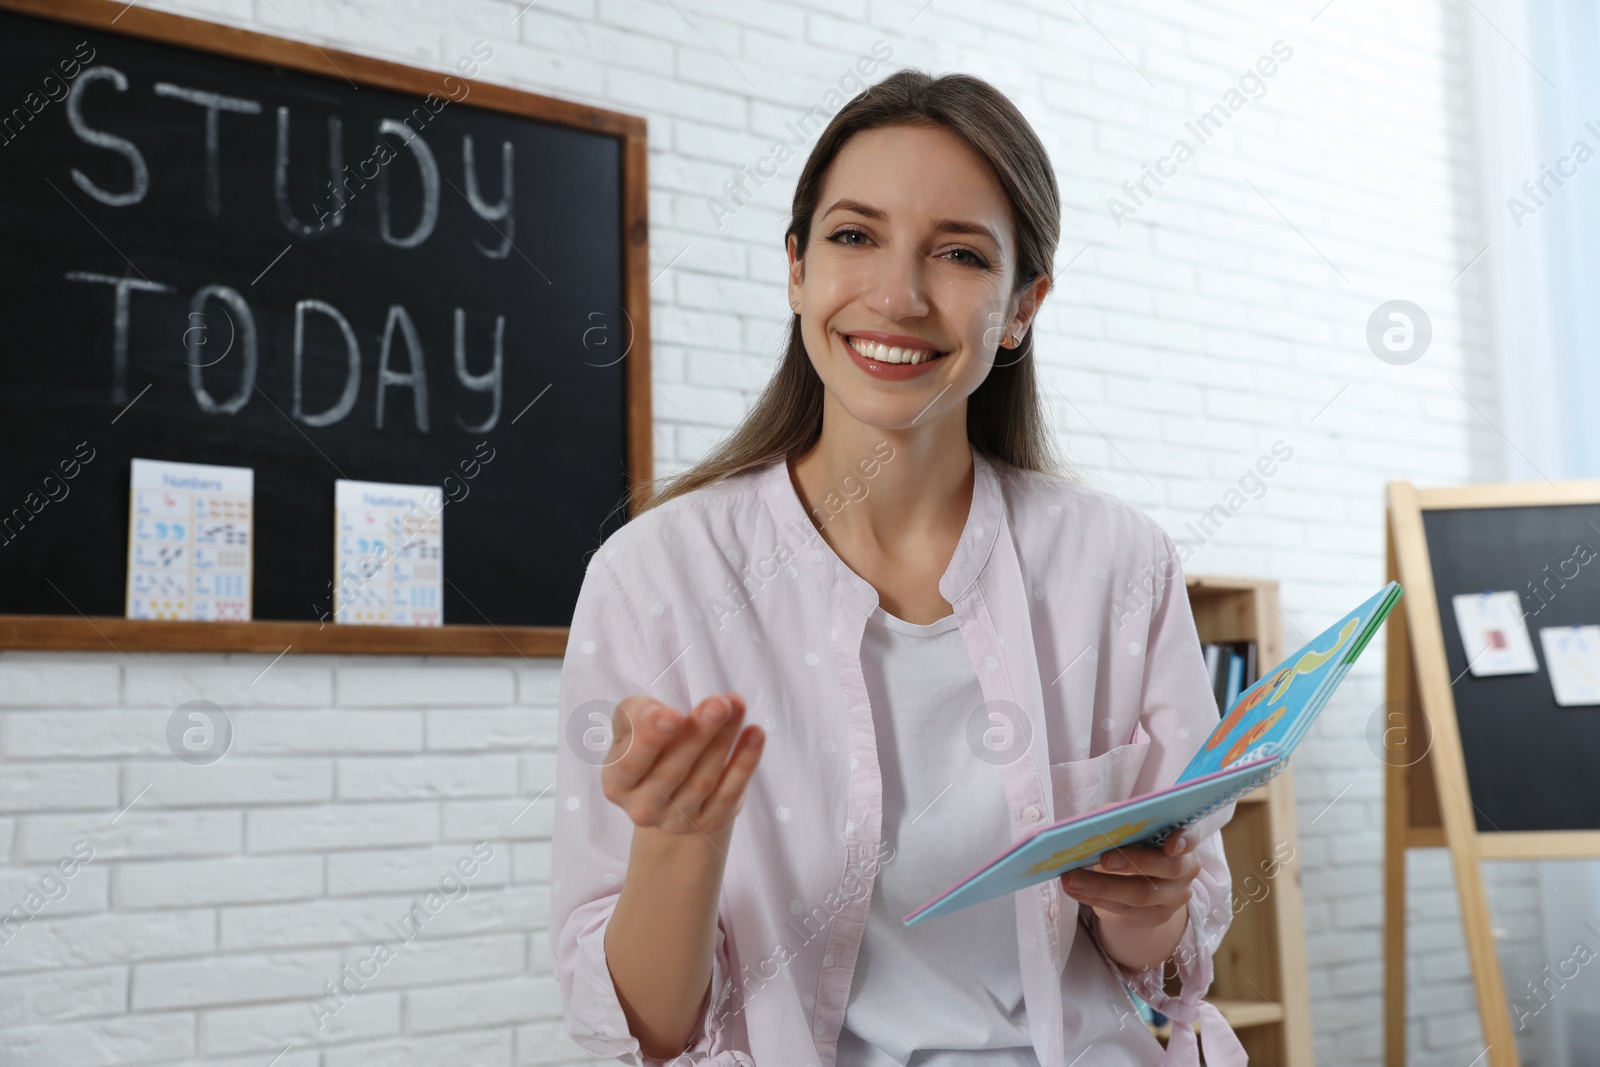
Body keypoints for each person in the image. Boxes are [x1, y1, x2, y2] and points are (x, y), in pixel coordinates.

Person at [550, 68, 1244, 1067]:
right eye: (852, 236)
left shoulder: (1119, 561)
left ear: (1020, 305)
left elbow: (1164, 969)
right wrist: (679, 840)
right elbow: (649, 1034)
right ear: (795, 268)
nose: (898, 294)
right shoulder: (653, 578)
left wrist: (1152, 907)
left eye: (959, 253)